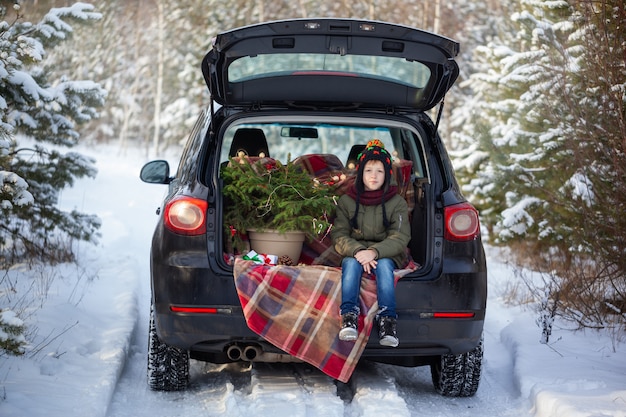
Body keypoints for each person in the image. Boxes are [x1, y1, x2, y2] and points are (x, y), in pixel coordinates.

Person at [332, 139, 411, 347]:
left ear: (387, 174)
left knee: (385, 266)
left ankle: (387, 321)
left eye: (379, 171)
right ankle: (348, 316)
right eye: (368, 170)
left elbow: (401, 236)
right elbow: (339, 235)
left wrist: (374, 252)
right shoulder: (347, 201)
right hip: (356, 252)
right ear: (361, 174)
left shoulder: (397, 203)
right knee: (350, 264)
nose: (374, 176)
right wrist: (358, 251)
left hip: (387, 253)